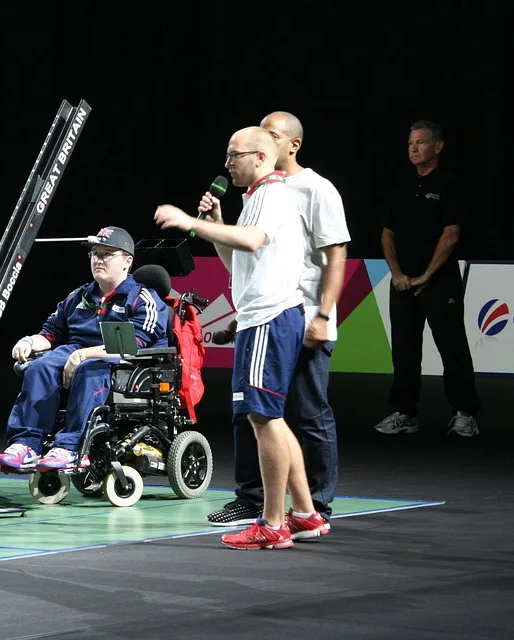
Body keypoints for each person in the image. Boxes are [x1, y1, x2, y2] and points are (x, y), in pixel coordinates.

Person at [154, 126, 329, 550]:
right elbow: (241, 262)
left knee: (262, 417)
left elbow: (251, 241)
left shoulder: (274, 194)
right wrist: (216, 225)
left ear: (261, 158)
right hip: (262, 316)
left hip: (269, 318)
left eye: (236, 155)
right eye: (228, 155)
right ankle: (304, 513)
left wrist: (189, 221)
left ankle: (272, 522)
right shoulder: (256, 198)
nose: (228, 163)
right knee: (271, 416)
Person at [206, 111, 350, 528]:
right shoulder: (259, 192)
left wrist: (323, 314)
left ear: (292, 145)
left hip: (301, 314)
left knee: (305, 412)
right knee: (253, 413)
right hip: (268, 312)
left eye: (270, 135)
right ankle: (254, 499)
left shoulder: (315, 189)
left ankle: (314, 505)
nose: (261, 141)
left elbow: (335, 255)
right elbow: (250, 263)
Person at [0, 226, 169, 471]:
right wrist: (29, 341)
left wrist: (82, 355)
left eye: (107, 254)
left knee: (89, 369)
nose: (98, 259)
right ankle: (26, 444)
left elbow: (133, 345)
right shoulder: (79, 296)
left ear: (127, 261)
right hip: (75, 350)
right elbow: (50, 334)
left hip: (123, 362)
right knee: (40, 367)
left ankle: (69, 448)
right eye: (95, 254)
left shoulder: (142, 299)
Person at [375, 120, 480, 438]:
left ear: (438, 145)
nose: (413, 149)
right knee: (404, 350)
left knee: (453, 348)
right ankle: (404, 413)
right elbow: (386, 233)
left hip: (439, 281)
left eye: (420, 143)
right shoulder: (401, 186)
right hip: (403, 283)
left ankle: (465, 413)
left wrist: (427, 275)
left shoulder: (451, 184)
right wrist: (396, 274)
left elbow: (451, 234)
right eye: (410, 144)